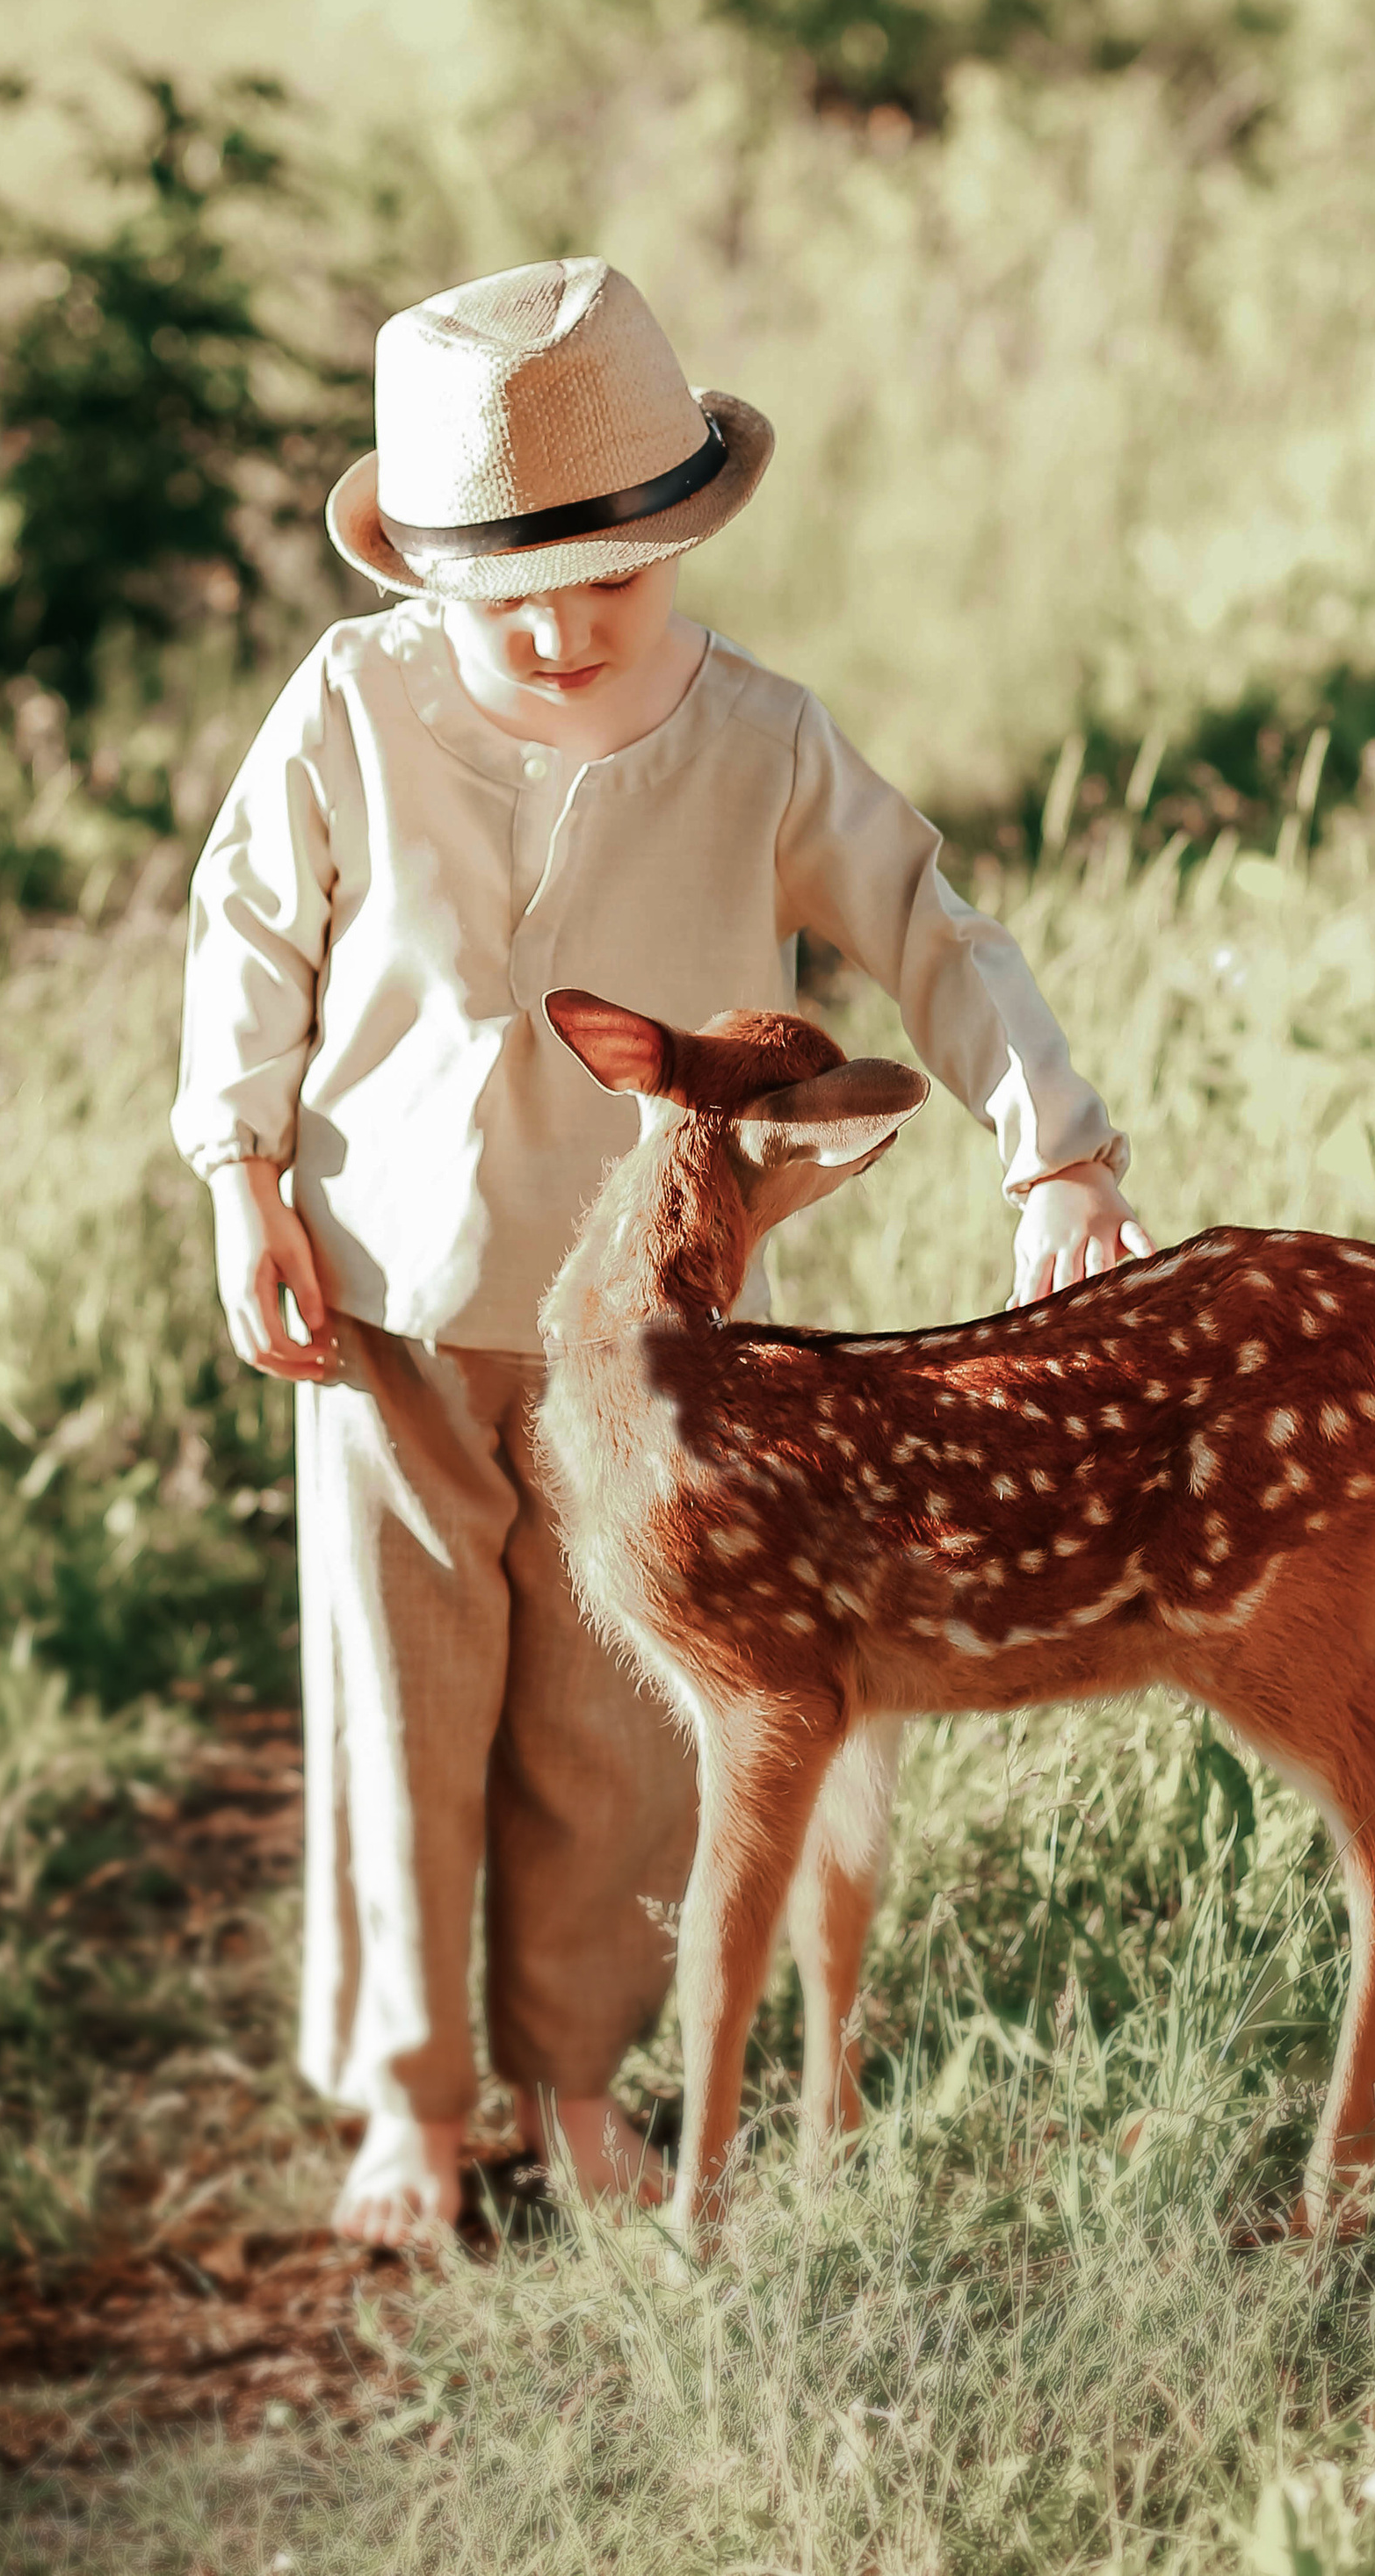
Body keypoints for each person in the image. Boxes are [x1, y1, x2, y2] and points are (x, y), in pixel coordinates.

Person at [171, 256, 1150, 2249]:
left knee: (620, 1721)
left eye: (602, 587)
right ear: (418, 569)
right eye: (500, 592)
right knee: (394, 1694)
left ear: (685, 534)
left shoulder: (760, 746)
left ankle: (576, 2077)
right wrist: (235, 1166)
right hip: (390, 1304)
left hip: (663, 1361)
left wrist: (1053, 1150)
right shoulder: (354, 706)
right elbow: (248, 930)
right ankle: (407, 2111)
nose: (549, 629)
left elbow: (933, 939)